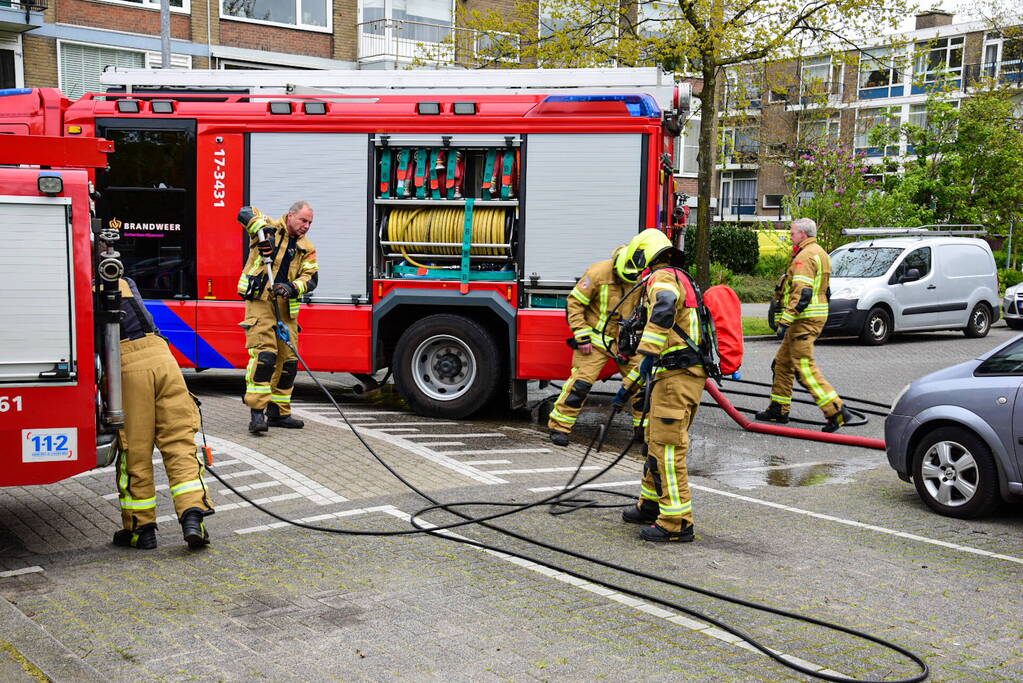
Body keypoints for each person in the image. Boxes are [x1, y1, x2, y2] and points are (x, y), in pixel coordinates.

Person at [614, 229, 707, 543]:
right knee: (655, 440)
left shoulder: (662, 279)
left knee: (667, 449)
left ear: (644, 256)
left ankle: (676, 522)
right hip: (675, 376)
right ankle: (650, 504)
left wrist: (647, 354)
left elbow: (664, 307)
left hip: (676, 376)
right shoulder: (680, 276)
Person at [113, 277, 214, 550]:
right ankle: (193, 516)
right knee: (180, 445)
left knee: (135, 451)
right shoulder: (125, 281)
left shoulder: (79, 286)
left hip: (126, 367)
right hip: (163, 358)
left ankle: (140, 529)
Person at [756, 218, 851, 432]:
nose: (790, 237)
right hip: (811, 317)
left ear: (803, 235)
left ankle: (836, 410)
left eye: (792, 234)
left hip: (803, 319)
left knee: (804, 367)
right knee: (782, 363)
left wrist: (785, 320)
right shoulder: (821, 253)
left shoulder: (805, 256)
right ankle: (778, 409)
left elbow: (803, 292)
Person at [548, 245, 644, 446]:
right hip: (595, 341)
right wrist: (581, 335)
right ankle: (559, 427)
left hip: (626, 343)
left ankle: (642, 430)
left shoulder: (640, 277)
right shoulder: (598, 273)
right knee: (580, 386)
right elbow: (574, 303)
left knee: (639, 384)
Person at [237, 201, 319, 434]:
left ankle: (279, 413)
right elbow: (245, 212)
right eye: (303, 220)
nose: (306, 226)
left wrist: (292, 287)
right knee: (265, 357)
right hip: (261, 302)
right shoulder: (268, 229)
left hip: (286, 309)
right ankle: (256, 414)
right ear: (290, 216)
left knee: (288, 363)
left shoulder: (307, 247)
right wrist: (262, 232)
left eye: (310, 223)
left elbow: (311, 278)